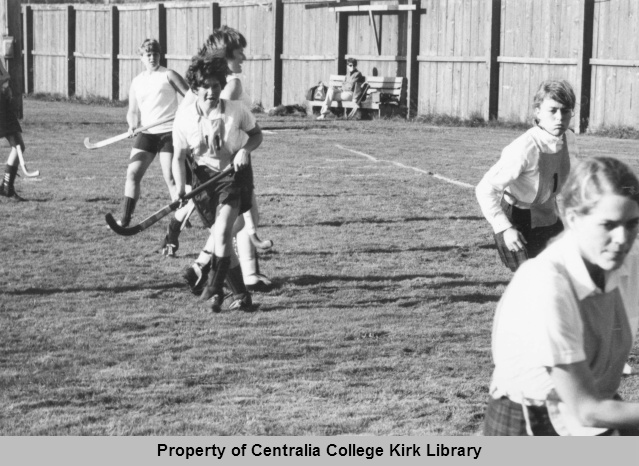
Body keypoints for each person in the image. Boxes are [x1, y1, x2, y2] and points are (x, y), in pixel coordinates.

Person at [484, 156, 639, 436]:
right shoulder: (545, 283)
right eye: (608, 225)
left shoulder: (626, 259)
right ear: (573, 219)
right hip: (531, 422)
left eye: (632, 224)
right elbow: (586, 411)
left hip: (595, 406)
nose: (622, 239)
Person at [166, 26, 273, 293]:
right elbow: (218, 121)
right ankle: (215, 269)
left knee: (233, 223)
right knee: (239, 221)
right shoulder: (227, 84)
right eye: (239, 53)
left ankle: (209, 269)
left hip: (213, 160)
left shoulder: (205, 81)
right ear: (225, 54)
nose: (243, 58)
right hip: (224, 164)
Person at [476, 80, 579, 271]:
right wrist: (504, 228)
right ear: (537, 111)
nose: (559, 118)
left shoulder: (569, 139)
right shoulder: (524, 147)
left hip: (549, 213)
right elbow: (485, 189)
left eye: (566, 111)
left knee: (561, 274)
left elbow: (571, 179)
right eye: (552, 110)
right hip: (518, 219)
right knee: (532, 280)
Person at [116, 39, 189, 229]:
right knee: (132, 173)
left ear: (160, 55)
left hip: (169, 133)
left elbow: (190, 98)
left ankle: (181, 217)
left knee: (171, 178)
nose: (152, 57)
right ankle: (124, 219)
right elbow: (132, 111)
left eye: (155, 54)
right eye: (148, 54)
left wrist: (182, 113)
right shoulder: (137, 81)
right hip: (147, 133)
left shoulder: (168, 75)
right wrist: (132, 125)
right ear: (141, 57)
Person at [0, 61, 27, 201]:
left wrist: (6, 88)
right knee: (17, 145)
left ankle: (7, 188)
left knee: (18, 146)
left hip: (3, 103)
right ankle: (6, 188)